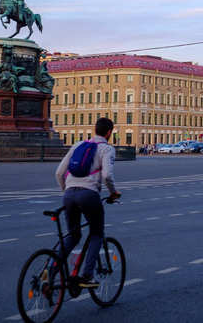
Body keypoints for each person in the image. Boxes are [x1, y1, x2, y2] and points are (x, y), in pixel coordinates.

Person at [55, 117, 121, 288]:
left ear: (94, 130)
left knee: (73, 235)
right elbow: (107, 175)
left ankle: (51, 271)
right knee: (97, 234)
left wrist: (68, 192)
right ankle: (87, 275)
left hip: (69, 194)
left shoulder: (78, 145)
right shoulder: (106, 149)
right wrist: (113, 193)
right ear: (109, 133)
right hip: (89, 194)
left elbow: (58, 173)